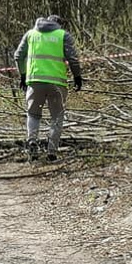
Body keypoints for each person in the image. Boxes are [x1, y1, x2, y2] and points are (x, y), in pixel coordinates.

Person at [14, 15, 83, 161]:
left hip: (34, 80)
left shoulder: (31, 34)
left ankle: (32, 142)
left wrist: (22, 75)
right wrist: (77, 77)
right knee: (57, 116)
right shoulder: (63, 35)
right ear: (59, 24)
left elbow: (18, 56)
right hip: (57, 83)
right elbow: (73, 59)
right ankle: (52, 152)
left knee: (33, 114)